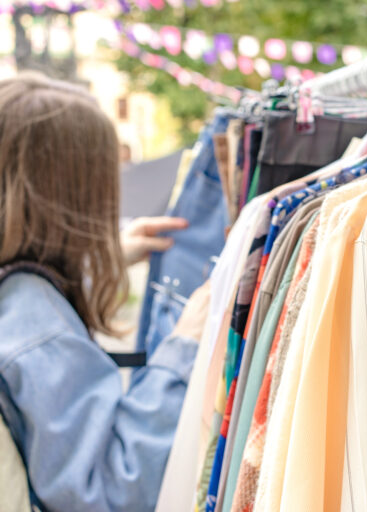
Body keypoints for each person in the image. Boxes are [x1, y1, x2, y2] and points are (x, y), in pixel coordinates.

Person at [0, 72, 210, 511]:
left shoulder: (21, 306)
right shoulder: (41, 330)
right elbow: (113, 492)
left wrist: (104, 258)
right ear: (78, 194)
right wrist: (183, 349)